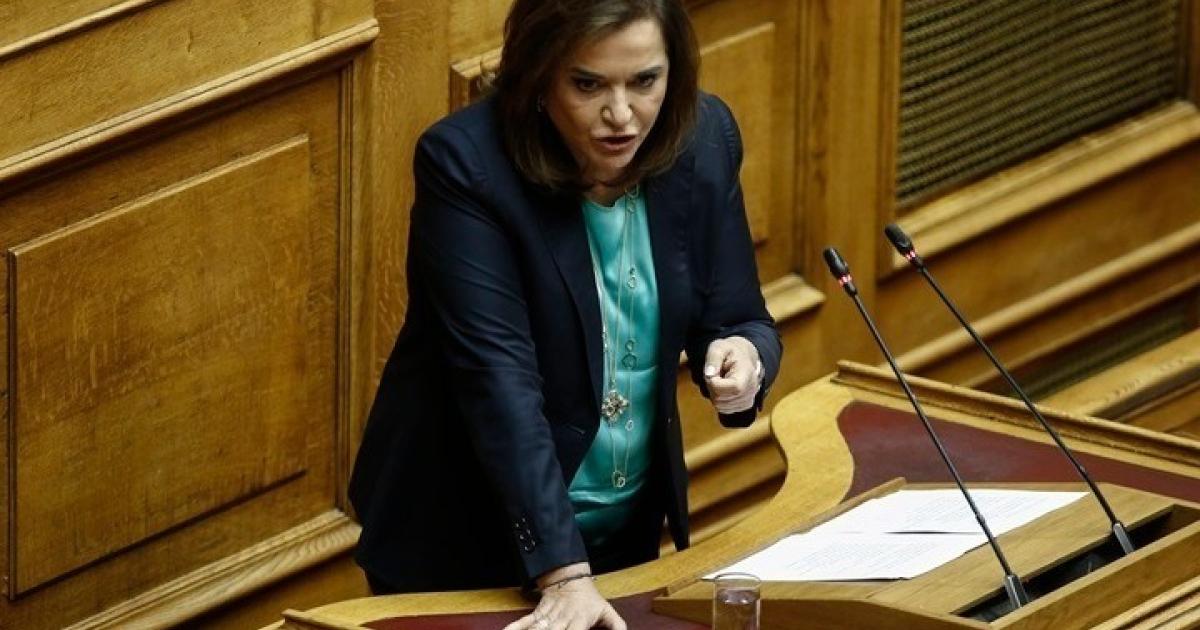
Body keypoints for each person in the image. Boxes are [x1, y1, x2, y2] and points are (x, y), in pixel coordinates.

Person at [348, 0, 782, 628]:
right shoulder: (468, 165)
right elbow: (498, 379)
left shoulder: (702, 137)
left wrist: (744, 356)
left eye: (645, 81)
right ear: (539, 77)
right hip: (466, 542)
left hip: (623, 534)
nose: (621, 114)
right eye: (588, 85)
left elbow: (739, 315)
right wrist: (565, 575)